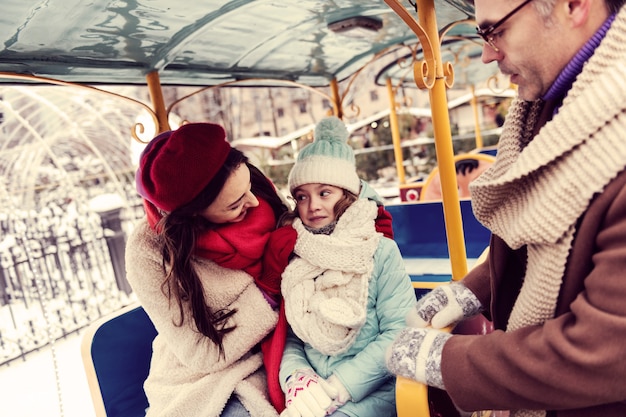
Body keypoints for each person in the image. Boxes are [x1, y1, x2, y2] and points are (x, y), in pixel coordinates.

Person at [385, 1, 626, 416]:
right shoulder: (554, 103)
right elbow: (535, 232)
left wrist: (443, 359)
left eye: (495, 31)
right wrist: (471, 291)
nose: (487, 54)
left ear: (573, 5)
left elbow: (605, 349)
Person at [125, 122, 290, 417]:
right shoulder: (149, 250)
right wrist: (266, 292)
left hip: (291, 346)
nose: (253, 202)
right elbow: (200, 352)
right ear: (194, 215)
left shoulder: (259, 193)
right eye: (235, 204)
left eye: (248, 186)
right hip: (208, 379)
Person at [262, 116, 416, 417]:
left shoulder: (380, 251)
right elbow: (293, 335)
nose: (312, 206)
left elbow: (399, 330)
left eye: (324, 193)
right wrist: (298, 380)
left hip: (378, 388)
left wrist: (338, 387)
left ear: (346, 194)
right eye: (302, 197)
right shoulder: (295, 256)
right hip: (314, 391)